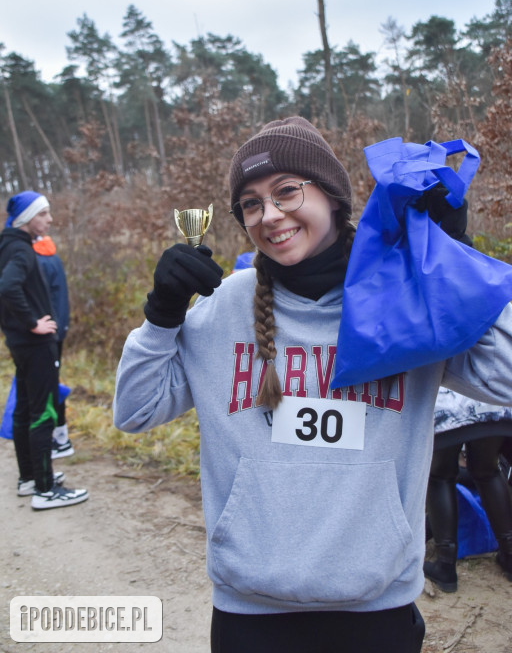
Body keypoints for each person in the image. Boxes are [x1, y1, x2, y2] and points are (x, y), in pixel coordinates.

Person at [114, 117, 512, 653]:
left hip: (375, 609)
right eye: (251, 204)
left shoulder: (404, 303)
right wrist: (161, 316)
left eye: (286, 192)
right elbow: (135, 411)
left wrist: (453, 260)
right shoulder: (221, 307)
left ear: (332, 196)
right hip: (250, 612)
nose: (269, 215)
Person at [0, 190, 88, 510]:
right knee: (44, 412)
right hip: (35, 344)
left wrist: (19, 326)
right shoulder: (22, 250)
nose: (49, 220)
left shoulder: (9, 245)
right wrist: (32, 322)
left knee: (25, 409)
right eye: (43, 214)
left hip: (20, 343)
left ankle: (29, 479)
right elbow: (7, 288)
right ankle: (46, 489)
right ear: (26, 218)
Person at [424, 387, 512, 591]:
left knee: (440, 477)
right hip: (491, 397)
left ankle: (445, 565)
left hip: (449, 401)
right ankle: (509, 555)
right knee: (488, 471)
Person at [33, 234, 74, 459]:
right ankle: (60, 436)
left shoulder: (38, 260)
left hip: (47, 331)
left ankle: (60, 439)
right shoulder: (51, 255)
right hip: (57, 328)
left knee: (47, 385)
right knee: (51, 381)